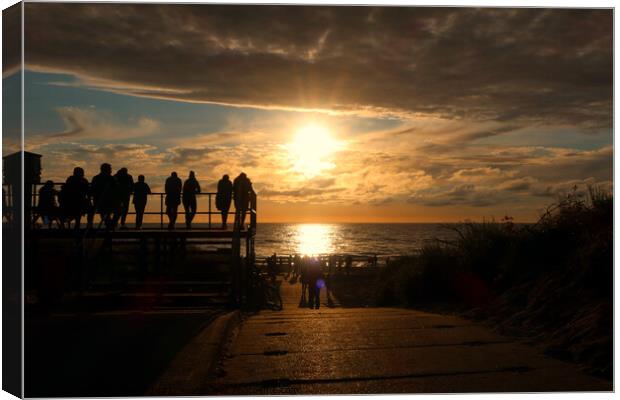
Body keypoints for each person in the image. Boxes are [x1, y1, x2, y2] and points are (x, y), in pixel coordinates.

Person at [89, 163, 117, 229]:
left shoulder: (97, 178)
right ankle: (110, 225)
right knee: (108, 212)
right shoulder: (111, 179)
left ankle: (110, 224)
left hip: (105, 202)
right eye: (110, 169)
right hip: (103, 202)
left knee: (109, 212)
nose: (111, 171)